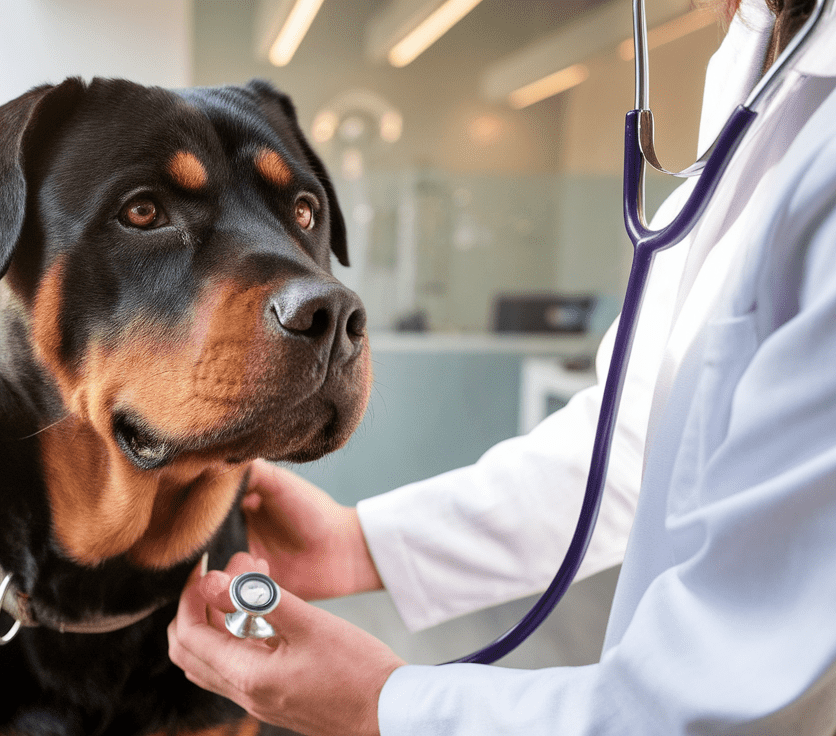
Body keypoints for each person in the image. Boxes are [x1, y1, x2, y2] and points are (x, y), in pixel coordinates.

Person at [167, 0, 836, 732]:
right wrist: (356, 546)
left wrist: (379, 703)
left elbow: (726, 704)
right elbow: (638, 436)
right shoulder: (764, 64)